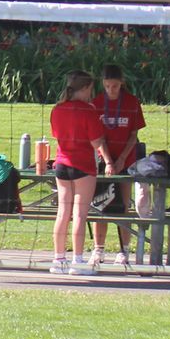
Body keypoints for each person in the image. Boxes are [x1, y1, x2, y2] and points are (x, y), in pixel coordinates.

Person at [48, 70, 108, 277]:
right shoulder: (88, 111)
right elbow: (96, 142)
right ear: (85, 88)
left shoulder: (57, 109)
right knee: (80, 215)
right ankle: (78, 261)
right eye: (91, 89)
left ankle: (58, 259)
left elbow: (56, 134)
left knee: (62, 213)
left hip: (61, 164)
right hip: (83, 166)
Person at [89, 64, 144, 265]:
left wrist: (121, 160)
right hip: (103, 160)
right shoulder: (96, 103)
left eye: (115, 86)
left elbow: (133, 135)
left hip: (126, 160)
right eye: (107, 86)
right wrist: (108, 161)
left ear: (122, 83)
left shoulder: (132, 102)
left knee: (123, 206)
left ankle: (124, 249)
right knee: (100, 205)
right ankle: (98, 249)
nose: (111, 90)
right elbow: (98, 137)